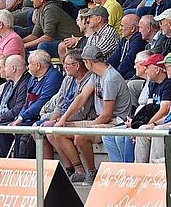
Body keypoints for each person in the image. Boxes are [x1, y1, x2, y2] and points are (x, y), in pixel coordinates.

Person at [51, 45, 132, 184]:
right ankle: (80, 170)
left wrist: (88, 125)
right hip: (101, 120)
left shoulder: (111, 78)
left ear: (88, 62)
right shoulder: (96, 75)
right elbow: (82, 97)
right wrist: (63, 119)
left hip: (115, 122)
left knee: (80, 136)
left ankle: (91, 171)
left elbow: (107, 115)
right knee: (58, 131)